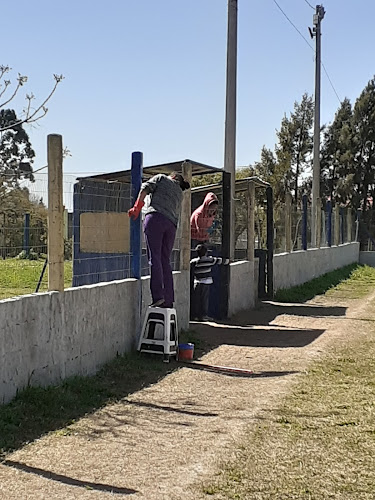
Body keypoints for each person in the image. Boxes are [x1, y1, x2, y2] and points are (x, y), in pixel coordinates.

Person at [128, 172, 190, 308]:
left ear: (173, 176)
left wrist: (137, 207)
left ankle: (158, 297)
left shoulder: (162, 178)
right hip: (171, 226)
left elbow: (145, 187)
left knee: (154, 258)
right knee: (165, 261)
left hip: (155, 218)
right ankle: (168, 299)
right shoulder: (180, 193)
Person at [190, 244, 229, 321]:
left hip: (197, 283)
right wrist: (228, 261)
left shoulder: (194, 261)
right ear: (206, 252)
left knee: (197, 300)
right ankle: (204, 315)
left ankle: (196, 316)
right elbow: (221, 261)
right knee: (205, 299)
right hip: (206, 282)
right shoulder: (210, 260)